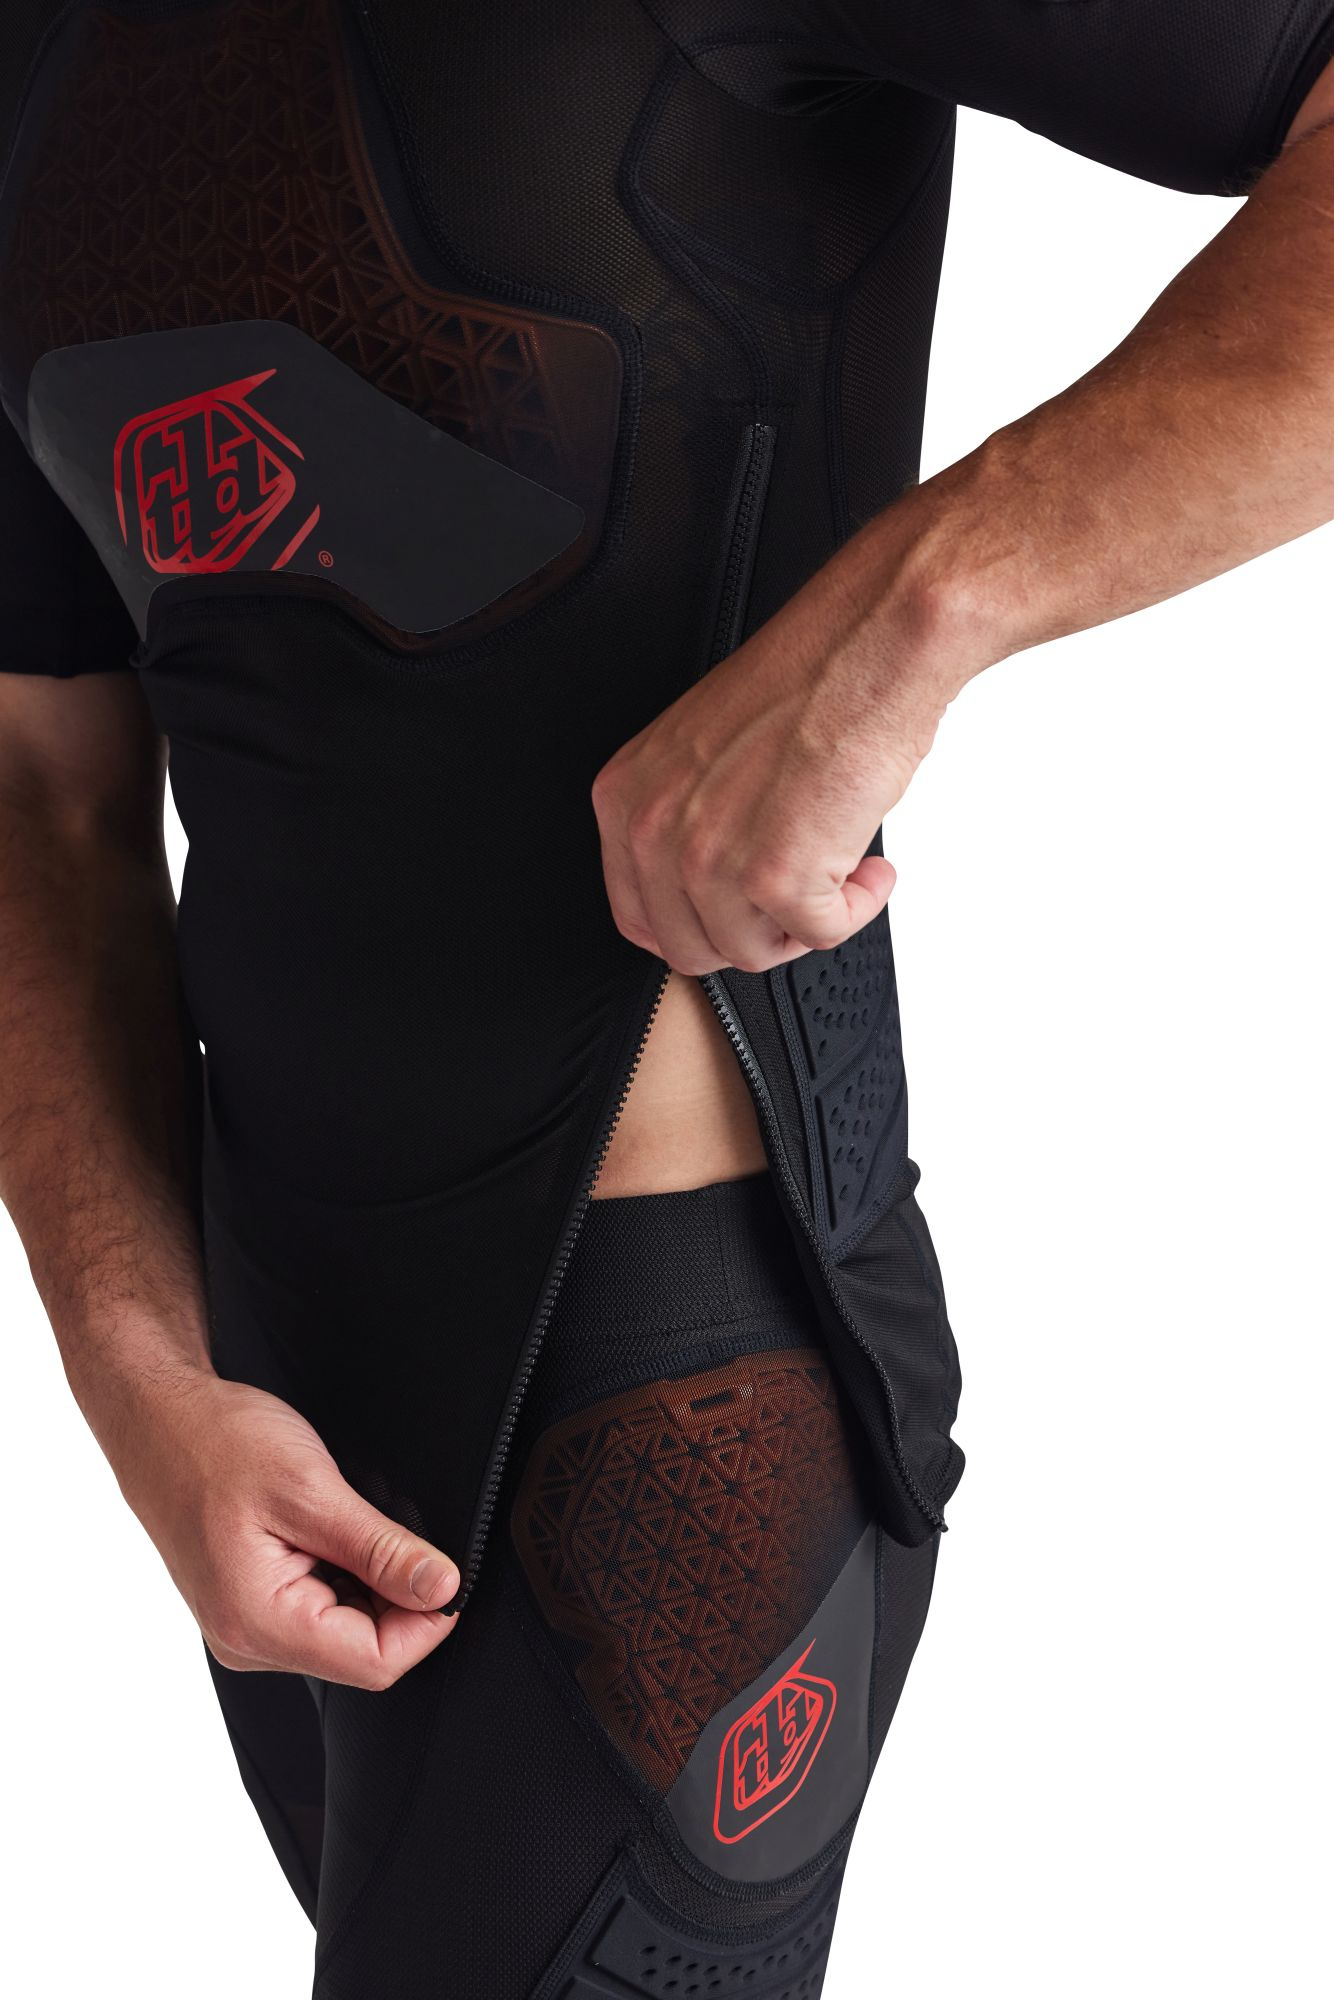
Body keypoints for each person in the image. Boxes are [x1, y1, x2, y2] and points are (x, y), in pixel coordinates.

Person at [2, 4, 1332, 1994]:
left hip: (662, 1391)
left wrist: (920, 607)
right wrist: (132, 1361)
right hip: (265, 1391)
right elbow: (43, 782)